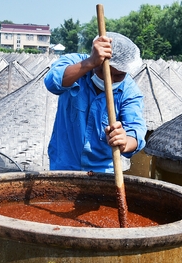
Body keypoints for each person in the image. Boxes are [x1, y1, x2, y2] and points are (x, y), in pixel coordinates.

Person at [44, 32, 146, 172]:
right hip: (64, 166)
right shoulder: (76, 63)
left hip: (103, 172)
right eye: (103, 72)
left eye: (118, 76)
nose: (109, 80)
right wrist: (90, 62)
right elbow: (52, 82)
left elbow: (136, 131)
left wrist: (124, 141)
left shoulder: (129, 92)